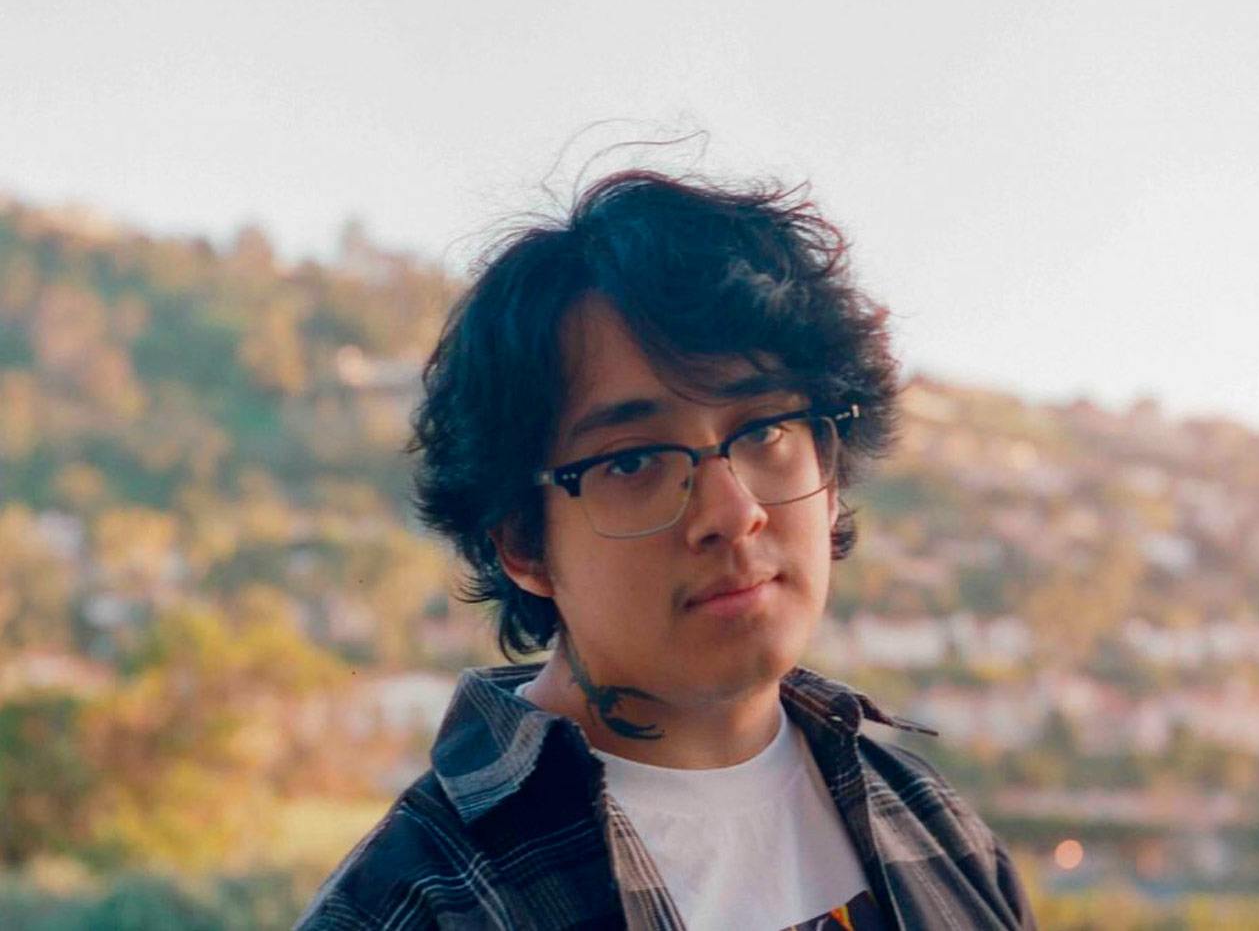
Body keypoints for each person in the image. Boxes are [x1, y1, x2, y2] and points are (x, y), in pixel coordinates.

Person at [295, 170, 1037, 930]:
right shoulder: (414, 906)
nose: (733, 512)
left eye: (766, 430)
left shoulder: (938, 830)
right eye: (634, 461)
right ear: (522, 541)